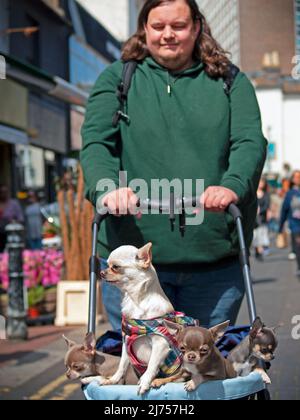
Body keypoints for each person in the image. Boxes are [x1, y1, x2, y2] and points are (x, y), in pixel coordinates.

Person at [81, 0, 267, 330]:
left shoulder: (230, 81)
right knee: (143, 370)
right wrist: (107, 190)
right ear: (144, 28)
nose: (168, 35)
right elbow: (97, 143)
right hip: (132, 266)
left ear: (196, 27)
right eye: (158, 26)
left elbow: (249, 142)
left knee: (204, 370)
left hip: (214, 261)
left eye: (178, 26)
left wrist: (232, 185)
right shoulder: (117, 78)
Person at [279, 170, 300, 277]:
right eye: (295, 177)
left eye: (299, 177)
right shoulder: (290, 193)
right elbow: (284, 209)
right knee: (298, 245)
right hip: (295, 224)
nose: (297, 179)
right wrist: (281, 226)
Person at [0, 184, 24, 252]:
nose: (3, 194)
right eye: (1, 192)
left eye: (5, 192)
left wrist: (13, 222)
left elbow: (21, 218)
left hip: (10, 233)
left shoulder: (14, 204)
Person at [253, 178, 271, 261]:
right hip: (253, 218)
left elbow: (267, 205)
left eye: (262, 183)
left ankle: (260, 251)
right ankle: (257, 250)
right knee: (255, 235)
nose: (260, 184)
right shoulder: (253, 194)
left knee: (261, 234)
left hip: (261, 218)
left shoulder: (266, 194)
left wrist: (261, 210)